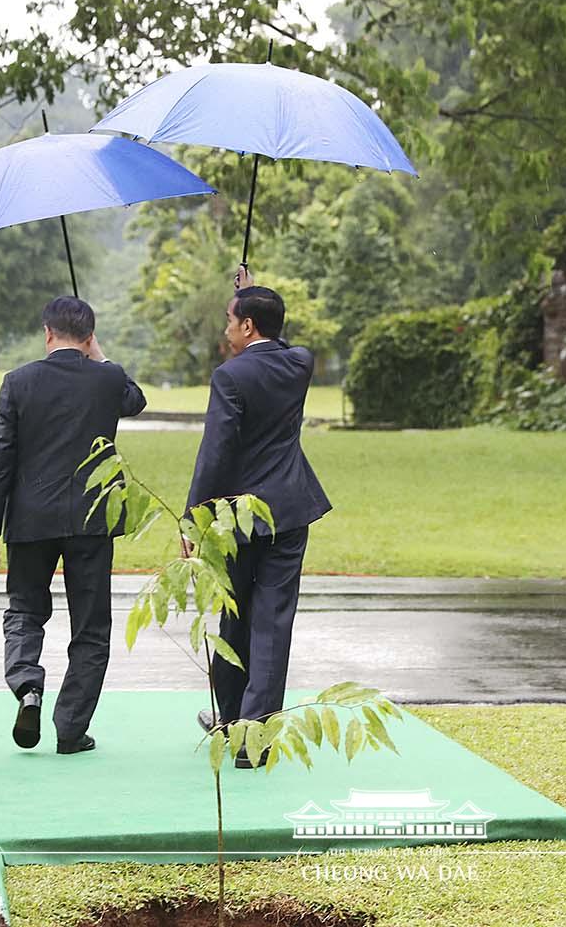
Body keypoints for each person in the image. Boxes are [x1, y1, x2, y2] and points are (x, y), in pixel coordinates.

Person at [0, 296, 146, 754]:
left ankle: (27, 685)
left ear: (47, 333)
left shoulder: (18, 382)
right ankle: (71, 728)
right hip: (92, 519)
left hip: (31, 518)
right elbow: (135, 400)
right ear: (89, 336)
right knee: (91, 628)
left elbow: (0, 459)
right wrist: (101, 356)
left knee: (25, 610)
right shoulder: (108, 378)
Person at [187, 284, 331, 768]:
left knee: (235, 615)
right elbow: (283, 343)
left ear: (247, 326)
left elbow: (215, 454)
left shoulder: (230, 376)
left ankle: (232, 721)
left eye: (231, 319)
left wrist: (194, 517)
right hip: (289, 511)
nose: (226, 328)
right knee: (272, 623)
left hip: (239, 516)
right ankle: (251, 735)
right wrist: (249, 293)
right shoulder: (300, 363)